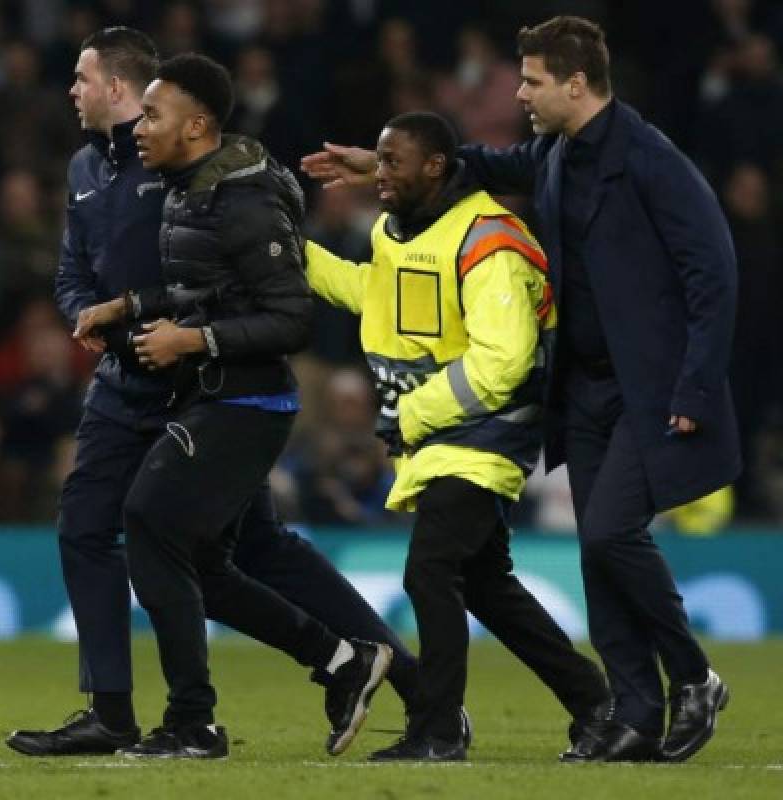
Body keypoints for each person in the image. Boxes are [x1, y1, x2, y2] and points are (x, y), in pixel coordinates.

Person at [303, 16, 738, 763]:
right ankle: (629, 713)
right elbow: (478, 160)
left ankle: (693, 675)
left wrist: (695, 388)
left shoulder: (649, 160)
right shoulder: (556, 155)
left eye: (533, 80)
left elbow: (714, 270)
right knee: (594, 556)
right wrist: (380, 162)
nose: (520, 92)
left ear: (577, 83)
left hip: (649, 385)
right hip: (587, 390)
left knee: (608, 535)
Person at [7, 30, 415, 761]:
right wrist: (105, 310)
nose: (70, 89)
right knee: (96, 530)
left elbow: (248, 290)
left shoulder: (192, 170)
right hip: (135, 379)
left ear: (124, 90)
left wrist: (184, 335)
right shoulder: (87, 170)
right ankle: (116, 710)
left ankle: (400, 685)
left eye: (81, 77)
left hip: (206, 387)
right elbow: (87, 268)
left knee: (238, 550)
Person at [306, 110, 610, 762]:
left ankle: (438, 730)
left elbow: (503, 362)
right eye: (379, 160)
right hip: (443, 436)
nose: (378, 175)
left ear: (437, 167)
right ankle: (594, 701)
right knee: (484, 583)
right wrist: (288, 253)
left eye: (393, 162)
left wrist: (412, 413)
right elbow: (378, 296)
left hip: (488, 432)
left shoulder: (489, 242)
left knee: (430, 570)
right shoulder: (401, 231)